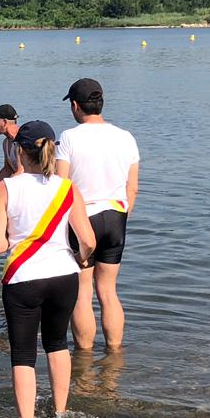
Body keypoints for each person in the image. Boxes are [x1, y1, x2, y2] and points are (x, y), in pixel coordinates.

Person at [0, 120, 96, 418]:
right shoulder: (67, 188)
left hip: (23, 279)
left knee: (23, 353)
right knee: (57, 344)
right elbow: (88, 240)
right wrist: (78, 258)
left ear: (19, 153)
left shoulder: (7, 188)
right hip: (65, 276)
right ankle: (62, 414)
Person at [54, 77, 139, 351]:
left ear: (75, 106)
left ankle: (84, 360)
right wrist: (122, 218)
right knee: (108, 292)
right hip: (116, 217)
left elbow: (61, 185)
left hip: (82, 220)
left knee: (82, 293)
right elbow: (133, 189)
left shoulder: (68, 137)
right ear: (100, 103)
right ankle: (115, 354)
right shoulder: (125, 137)